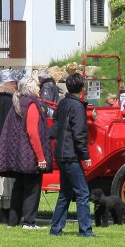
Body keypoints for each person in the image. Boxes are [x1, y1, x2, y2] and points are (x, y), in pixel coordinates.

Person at [0, 71, 52, 228]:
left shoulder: (18, 102)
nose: (39, 89)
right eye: (37, 86)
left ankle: (13, 221)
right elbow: (33, 132)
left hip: (18, 154)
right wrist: (41, 157)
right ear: (31, 88)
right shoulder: (31, 104)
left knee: (18, 187)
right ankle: (29, 222)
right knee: (32, 189)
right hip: (29, 154)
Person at [48, 70, 93, 237]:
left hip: (60, 153)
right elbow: (79, 133)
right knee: (83, 192)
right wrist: (85, 155)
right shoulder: (77, 106)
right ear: (82, 89)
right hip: (71, 154)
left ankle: (56, 228)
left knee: (65, 193)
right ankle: (85, 230)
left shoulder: (62, 103)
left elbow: (54, 129)